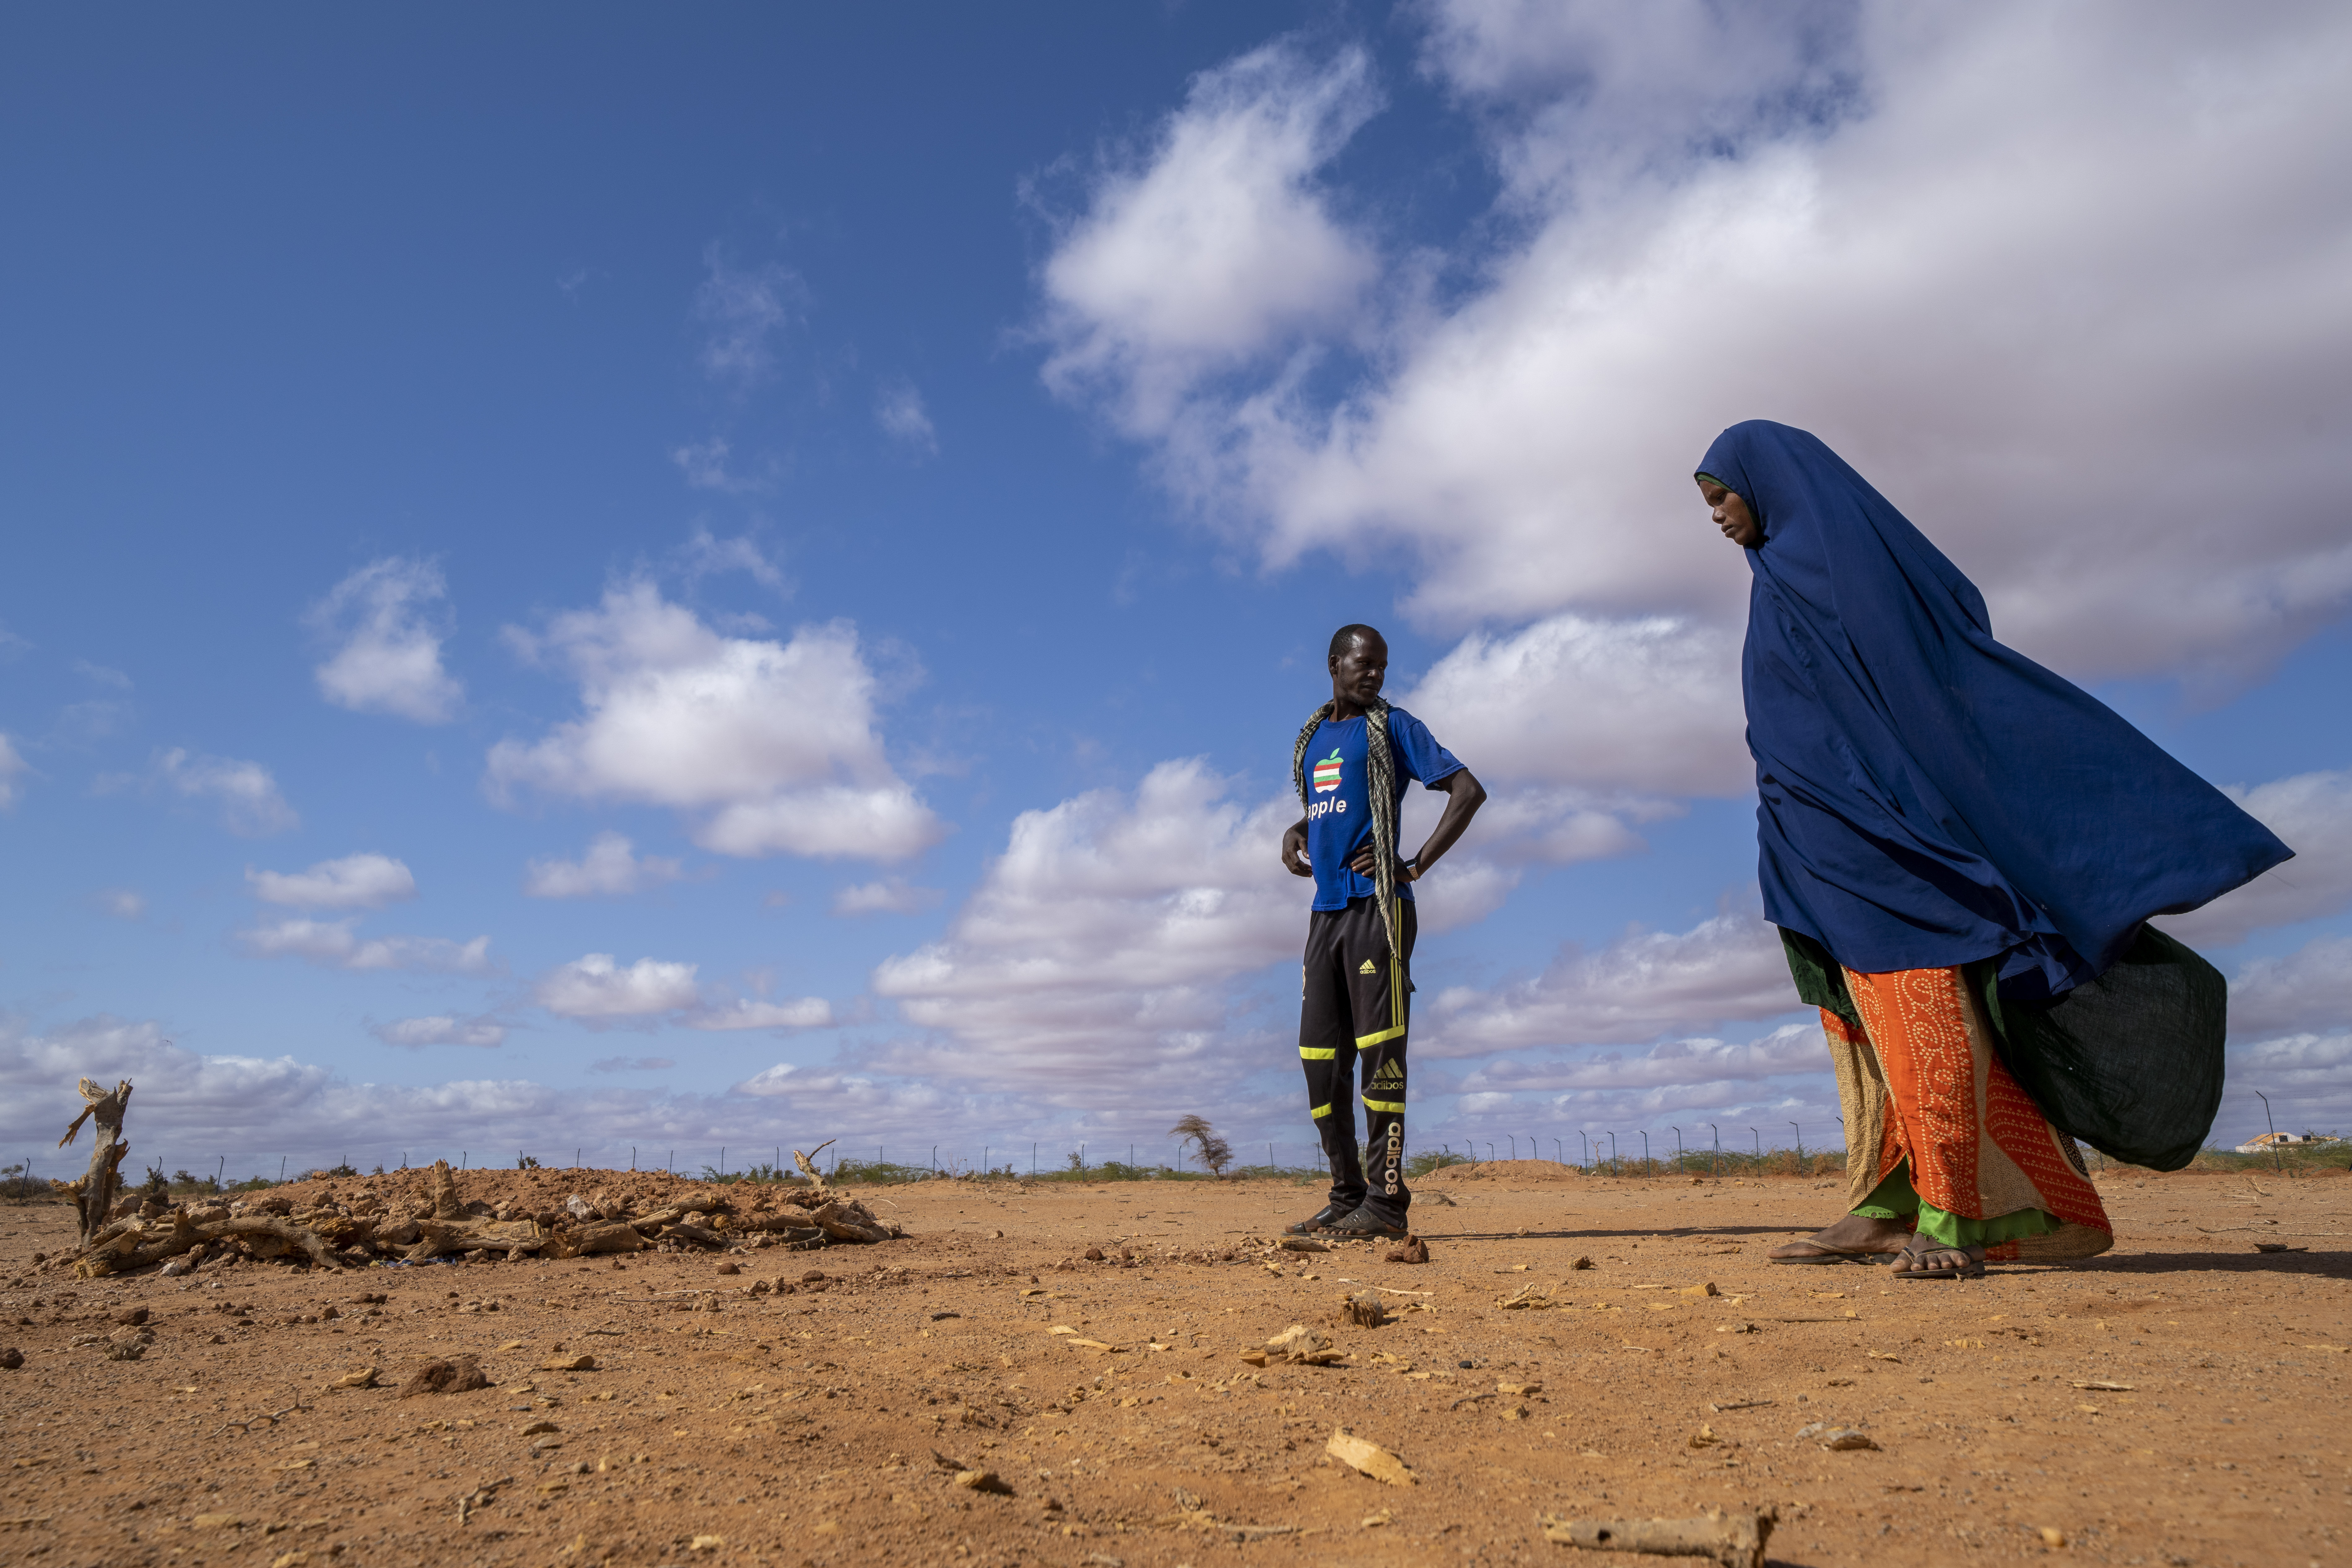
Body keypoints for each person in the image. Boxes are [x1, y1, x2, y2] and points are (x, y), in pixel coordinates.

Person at [1696, 421, 2291, 1279]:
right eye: (1706, 502)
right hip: (1813, 838)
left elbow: (1935, 694)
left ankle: (1956, 1218)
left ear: (1773, 485)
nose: (1714, 515)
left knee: (1919, 1007)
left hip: (1886, 842)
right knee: (1864, 1021)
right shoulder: (1776, 584)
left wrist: (1912, 811)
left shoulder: (1853, 574)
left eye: (1721, 495)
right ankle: (1889, 1200)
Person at [1279, 624, 1485, 1239]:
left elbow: (1467, 791)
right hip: (1326, 913)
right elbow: (1333, 805)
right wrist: (1297, 830)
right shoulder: (1314, 737)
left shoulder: (1394, 728)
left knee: (1380, 1060)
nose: (1375, 675)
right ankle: (1347, 1194)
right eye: (1364, 665)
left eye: (1383, 667)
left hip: (1379, 910)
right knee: (1319, 1060)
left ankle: (1387, 1202)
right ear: (1334, 664)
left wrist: (1414, 862)